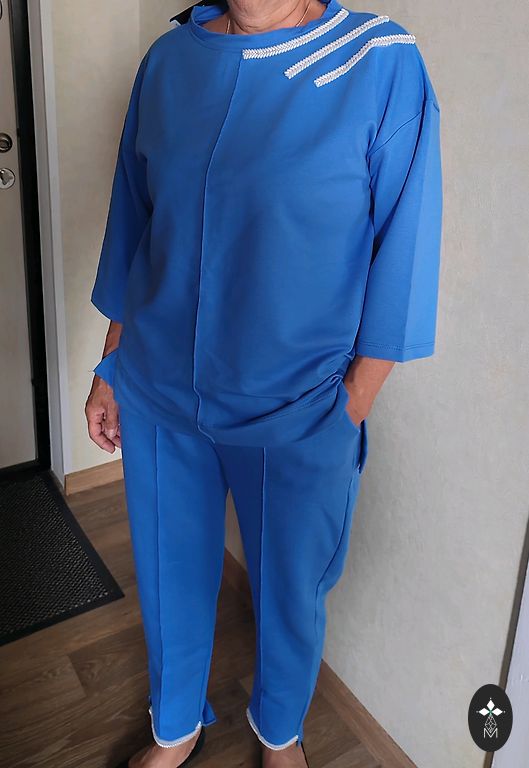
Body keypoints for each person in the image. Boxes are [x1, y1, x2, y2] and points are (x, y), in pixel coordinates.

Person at [85, 1, 443, 766]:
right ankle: (174, 727)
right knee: (168, 574)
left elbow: (405, 242)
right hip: (157, 389)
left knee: (290, 591)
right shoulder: (169, 61)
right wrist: (109, 366)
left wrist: (351, 404)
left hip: (298, 407)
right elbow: (134, 226)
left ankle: (279, 731)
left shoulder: (377, 59)